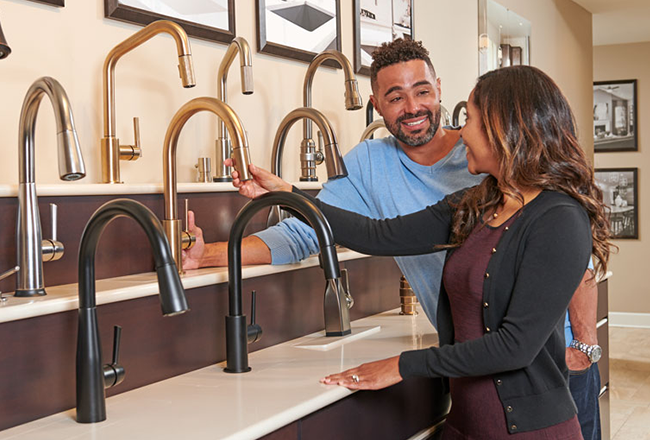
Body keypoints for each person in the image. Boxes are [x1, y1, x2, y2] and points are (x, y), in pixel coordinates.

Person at [184, 40, 603, 438]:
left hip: (544, 382)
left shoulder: (553, 213)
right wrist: (284, 196)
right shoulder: (479, 199)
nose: (463, 130)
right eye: (396, 96)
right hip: (469, 395)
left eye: (471, 119)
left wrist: (584, 344)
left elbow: (525, 332)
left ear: (501, 127)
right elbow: (376, 234)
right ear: (377, 104)